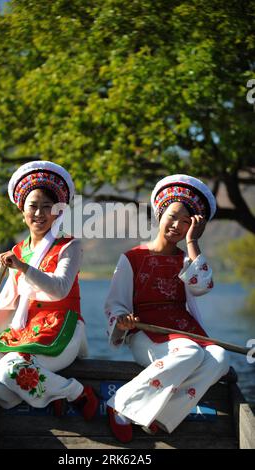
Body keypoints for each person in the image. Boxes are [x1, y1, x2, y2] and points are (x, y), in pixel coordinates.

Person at [0, 160, 99, 420]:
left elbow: (59, 289)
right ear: (22, 210)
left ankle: (74, 392)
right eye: (33, 206)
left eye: (48, 207)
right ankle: (41, 398)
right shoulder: (20, 250)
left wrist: (23, 267)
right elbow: (6, 302)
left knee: (8, 369)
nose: (39, 213)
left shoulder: (69, 246)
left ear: (58, 212)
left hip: (61, 328)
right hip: (24, 330)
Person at [104, 174, 229, 443]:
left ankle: (161, 417)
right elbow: (115, 303)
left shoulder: (187, 260)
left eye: (186, 223)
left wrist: (193, 243)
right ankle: (120, 403)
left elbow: (203, 285)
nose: (177, 225)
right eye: (172, 216)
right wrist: (122, 321)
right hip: (146, 332)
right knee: (191, 352)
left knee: (220, 358)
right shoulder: (132, 258)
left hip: (184, 330)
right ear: (159, 215)